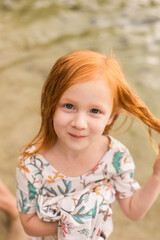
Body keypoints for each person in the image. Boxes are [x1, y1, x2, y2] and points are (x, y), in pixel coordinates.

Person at [16, 50, 160, 240]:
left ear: (110, 116)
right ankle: (11, 209)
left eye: (95, 110)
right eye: (69, 106)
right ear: (51, 103)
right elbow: (29, 224)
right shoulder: (32, 163)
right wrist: (78, 221)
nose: (79, 123)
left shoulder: (115, 156)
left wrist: (157, 175)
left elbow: (133, 211)